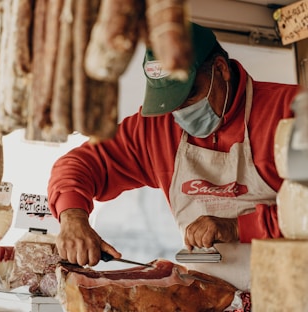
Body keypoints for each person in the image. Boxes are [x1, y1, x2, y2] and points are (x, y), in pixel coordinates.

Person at [47, 22, 302, 291]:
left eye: (189, 95)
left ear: (220, 69)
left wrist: (238, 227)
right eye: (170, 103)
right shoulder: (157, 127)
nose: (180, 113)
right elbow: (79, 164)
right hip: (210, 299)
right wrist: (72, 217)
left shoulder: (291, 112)